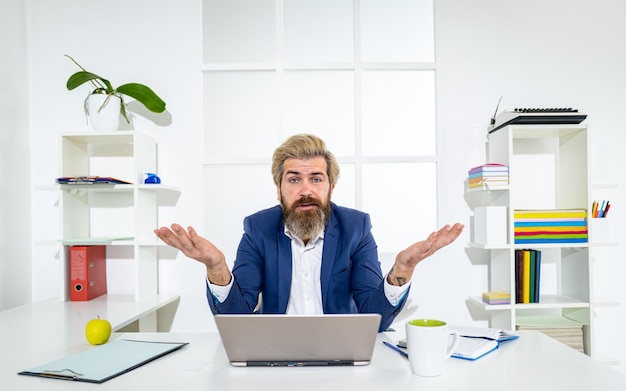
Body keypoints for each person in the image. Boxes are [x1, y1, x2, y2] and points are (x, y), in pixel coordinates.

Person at [154, 134, 464, 331]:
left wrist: (402, 270)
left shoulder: (356, 228)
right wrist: (217, 268)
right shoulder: (257, 229)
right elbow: (236, 316)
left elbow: (376, 319)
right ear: (279, 189)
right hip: (274, 355)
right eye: (294, 180)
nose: (305, 190)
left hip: (342, 355)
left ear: (331, 187)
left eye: (316, 179)